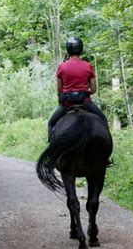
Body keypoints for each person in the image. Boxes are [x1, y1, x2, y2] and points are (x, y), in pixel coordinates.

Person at [47, 37, 113, 166]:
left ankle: (52, 154)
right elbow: (93, 88)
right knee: (103, 121)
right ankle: (105, 157)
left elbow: (59, 89)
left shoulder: (62, 67)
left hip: (67, 103)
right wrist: (85, 92)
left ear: (68, 50)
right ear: (81, 50)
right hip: (85, 102)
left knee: (51, 123)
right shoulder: (88, 66)